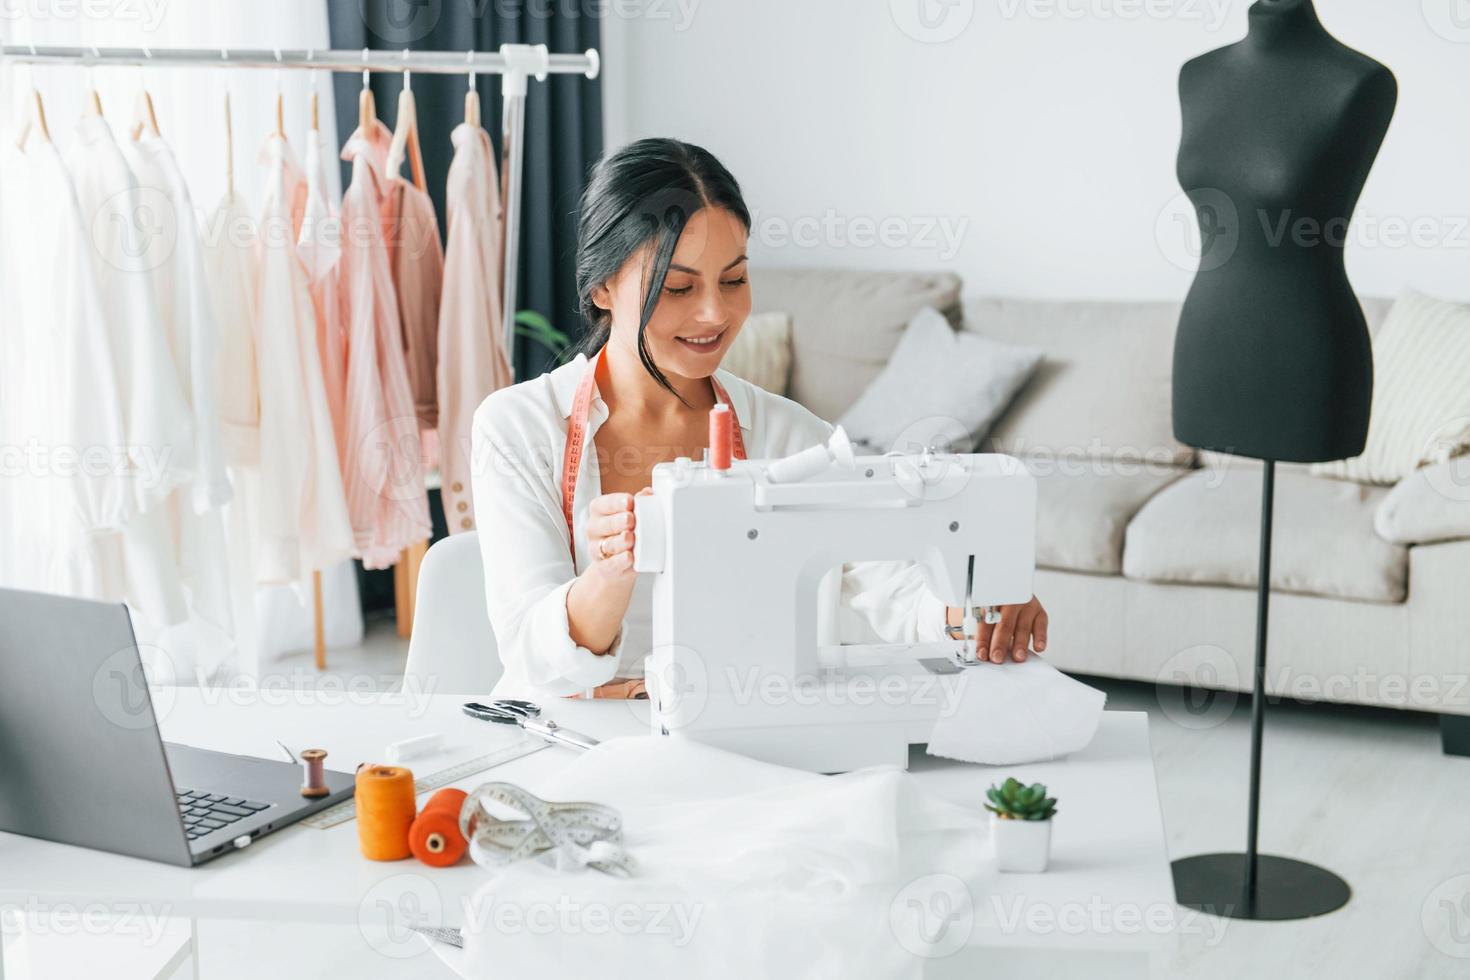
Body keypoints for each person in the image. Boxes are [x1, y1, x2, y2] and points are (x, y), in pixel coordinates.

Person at [471, 138, 1047, 699]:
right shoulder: (518, 429)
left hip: (736, 738)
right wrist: (608, 575)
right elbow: (531, 656)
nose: (714, 312)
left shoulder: (794, 439)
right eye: (678, 286)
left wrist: (972, 609)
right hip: (568, 739)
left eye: (734, 279)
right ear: (601, 287)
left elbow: (892, 584)